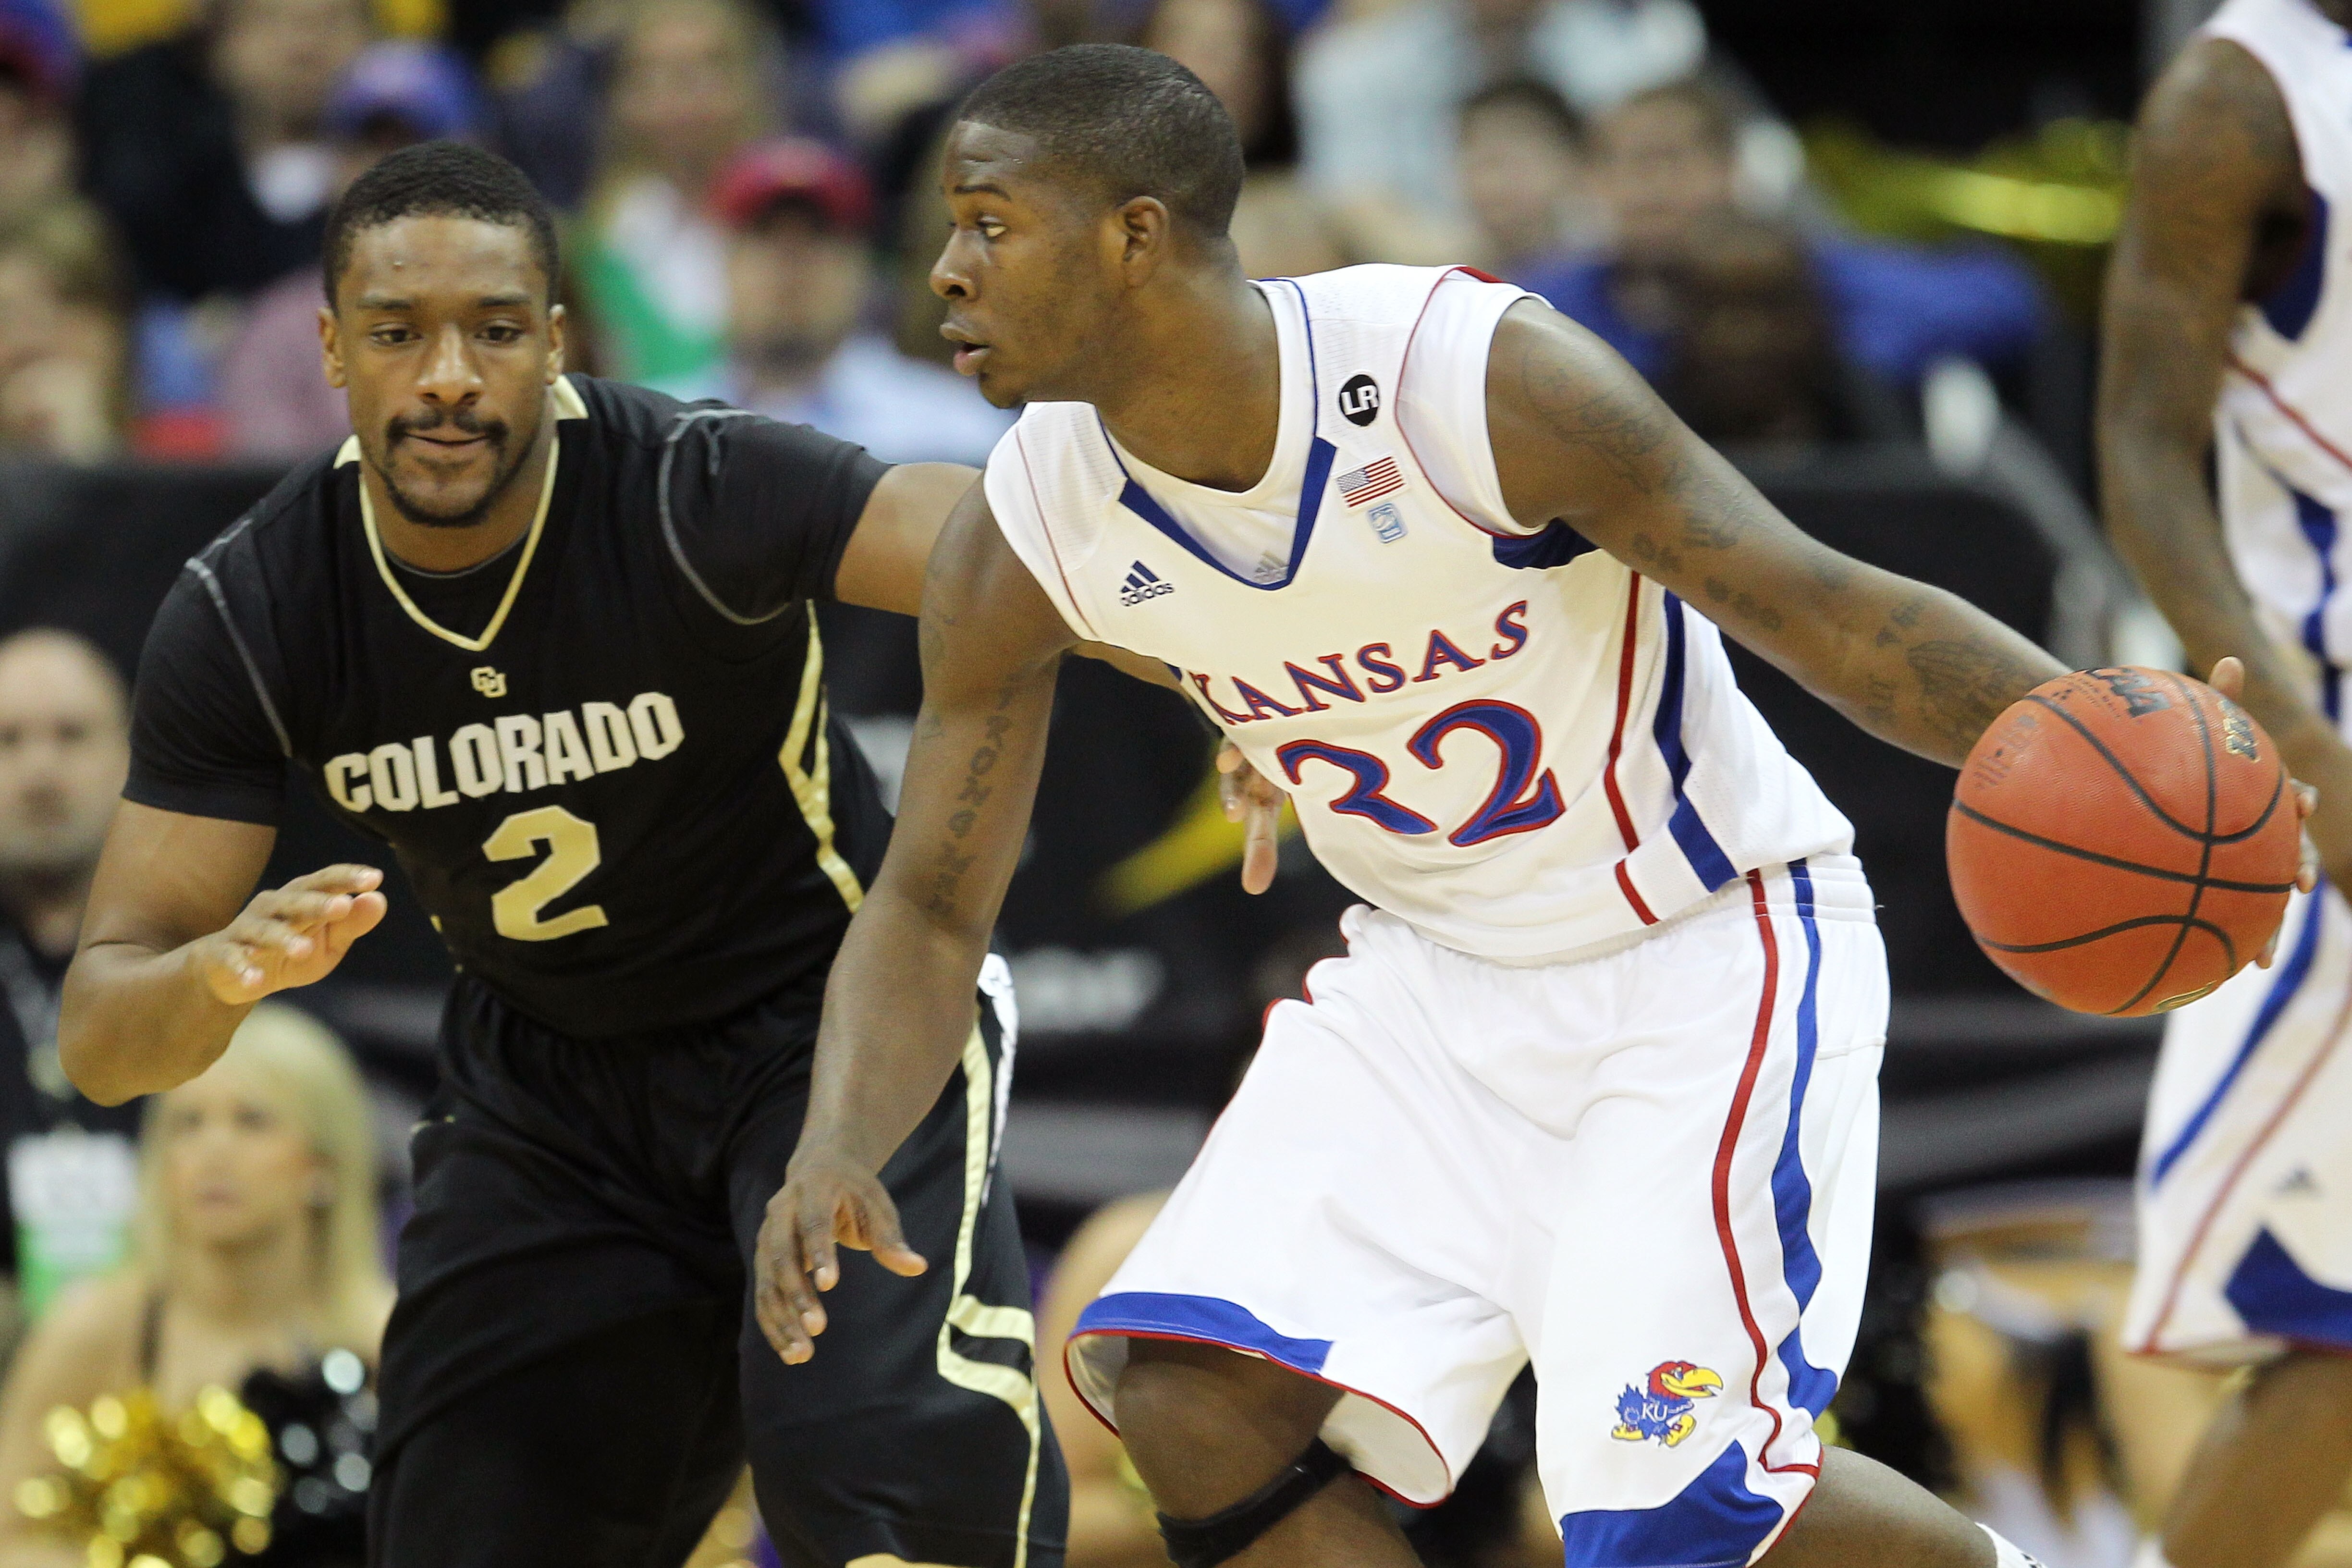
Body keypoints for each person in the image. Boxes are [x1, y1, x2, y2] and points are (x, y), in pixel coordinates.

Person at [766, 42, 2132, 1568]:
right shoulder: (1027, 527)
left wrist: (2106, 729)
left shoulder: (1462, 376)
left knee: (1676, 1505)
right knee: (1190, 1396)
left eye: (987, 223)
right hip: (1430, 978)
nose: (945, 270)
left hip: (1697, 949)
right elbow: (935, 898)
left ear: (1134, 236)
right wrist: (836, 1141)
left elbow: (1821, 607)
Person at [57, 140, 1074, 1568]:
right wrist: (216, 977)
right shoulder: (254, 607)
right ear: (334, 351)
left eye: (492, 329)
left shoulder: (688, 487)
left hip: (825, 1026)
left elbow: (1014, 549)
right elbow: (105, 1037)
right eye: (400, 333)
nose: (448, 376)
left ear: (555, 343)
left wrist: (1254, 668)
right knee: (469, 1529)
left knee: (886, 1498)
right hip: (549, 1084)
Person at [2097, 5, 2352, 1568]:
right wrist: (2308, 768)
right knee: (2331, 1326)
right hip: (2340, 744)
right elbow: (2137, 447)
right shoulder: (2239, 93)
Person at [0, 1003, 391, 1568]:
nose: (214, 1151)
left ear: (323, 1164)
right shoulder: (97, 1329)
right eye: (188, 1124)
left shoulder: (392, 1343)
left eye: (252, 1120)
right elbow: (12, 1537)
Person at [1527, 80, 2047, 396]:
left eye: (1670, 159)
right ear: (1586, 181)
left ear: (1731, 169)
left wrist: (1826, 349)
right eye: (1615, 163)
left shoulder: (1805, 276)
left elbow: (2007, 298)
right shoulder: (1549, 307)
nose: (1647, 188)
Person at [660, 137, 1014, 468]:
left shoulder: (953, 428)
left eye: (818, 238)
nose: (791, 265)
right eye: (764, 237)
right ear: (724, 263)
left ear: (861, 267)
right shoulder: (660, 429)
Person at [219, 38, 487, 462]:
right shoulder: (278, 331)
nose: (388, 172)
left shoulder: (514, 318)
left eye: (415, 148)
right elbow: (274, 495)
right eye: (366, 147)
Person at [0, 632, 145, 1342]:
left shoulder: (212, 949)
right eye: (8, 740)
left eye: (71, 734)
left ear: (129, 755)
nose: (40, 769)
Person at [577, 0, 775, 386]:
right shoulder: (598, 243)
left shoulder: (801, 216)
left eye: (702, 73)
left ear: (749, 85)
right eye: (653, 77)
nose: (679, 100)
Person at [1455, 77, 1599, 284]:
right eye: (1480, 163)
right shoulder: (1454, 278)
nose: (1492, 183)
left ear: (1571, 161)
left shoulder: (1610, 265)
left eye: (1507, 162)